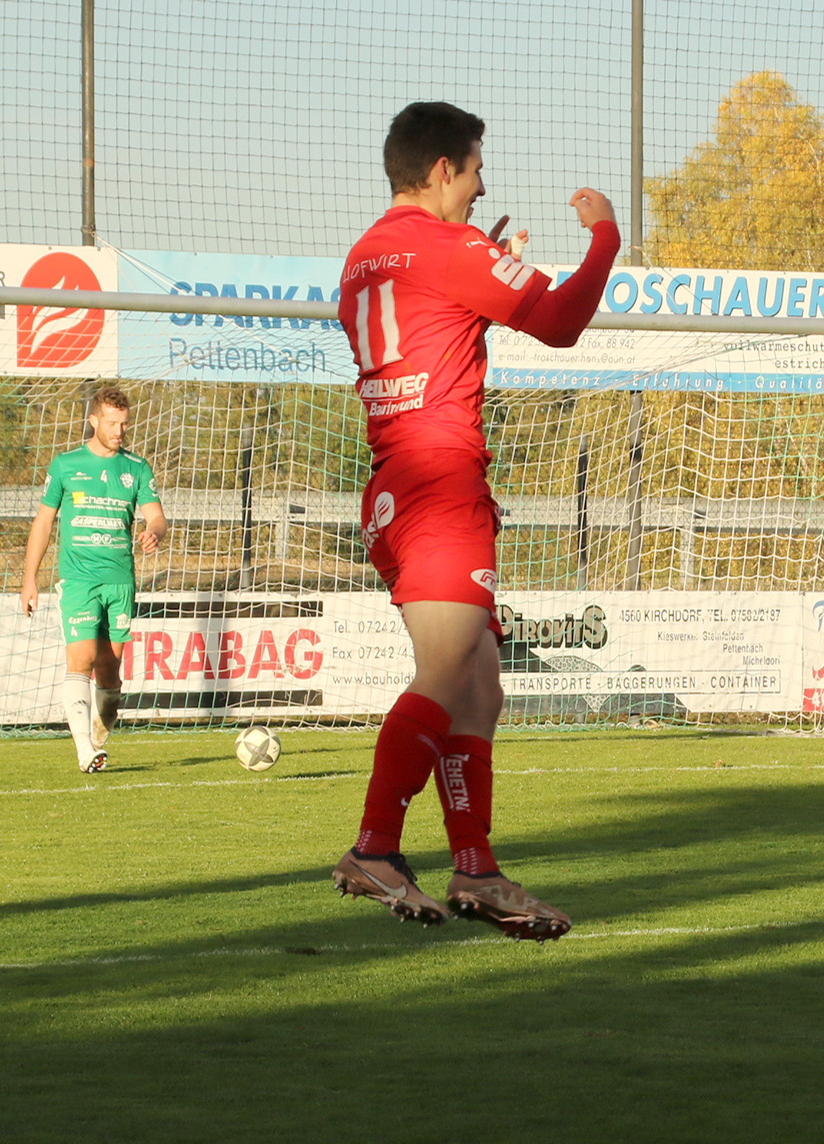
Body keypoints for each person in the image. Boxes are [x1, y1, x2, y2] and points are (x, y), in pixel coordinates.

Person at [329, 100, 620, 941]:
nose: (482, 182)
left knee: (480, 686)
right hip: (442, 483)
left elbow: (434, 318)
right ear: (445, 169)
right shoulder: (450, 247)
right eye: (476, 167)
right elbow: (561, 323)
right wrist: (604, 240)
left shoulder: (362, 255)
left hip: (393, 485)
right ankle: (374, 848)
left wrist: (479, 259)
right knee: (450, 669)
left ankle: (476, 869)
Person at [21, 386, 166, 773]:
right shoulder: (67, 465)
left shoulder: (136, 468)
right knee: (81, 658)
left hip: (119, 579)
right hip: (78, 578)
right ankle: (85, 750)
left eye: (124, 424)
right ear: (93, 421)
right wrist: (29, 579)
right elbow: (43, 522)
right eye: (112, 423)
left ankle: (100, 728)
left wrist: (155, 530)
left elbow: (156, 515)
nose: (120, 431)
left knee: (108, 670)